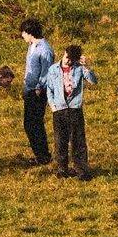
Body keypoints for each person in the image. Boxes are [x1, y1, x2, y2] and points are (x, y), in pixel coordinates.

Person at [43, 45, 98, 180]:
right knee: (60, 141)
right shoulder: (53, 69)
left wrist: (86, 66)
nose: (68, 61)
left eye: (71, 60)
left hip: (75, 108)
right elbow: (49, 89)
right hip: (59, 109)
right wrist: (53, 107)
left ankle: (82, 170)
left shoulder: (79, 68)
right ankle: (62, 169)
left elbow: (93, 81)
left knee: (78, 141)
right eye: (67, 58)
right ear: (64, 54)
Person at [20, 18, 54, 166]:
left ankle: (43, 156)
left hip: (37, 91)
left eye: (23, 32)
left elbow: (47, 71)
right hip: (29, 89)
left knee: (35, 124)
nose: (22, 36)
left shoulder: (44, 49)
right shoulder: (32, 46)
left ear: (29, 32)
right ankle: (40, 154)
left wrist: (39, 87)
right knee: (29, 123)